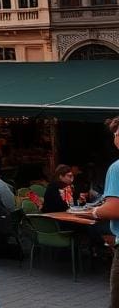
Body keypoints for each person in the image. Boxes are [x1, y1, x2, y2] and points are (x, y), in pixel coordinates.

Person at [78, 115, 119, 306]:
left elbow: (114, 209)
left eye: (117, 134)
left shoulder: (117, 168)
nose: (115, 138)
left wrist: (92, 213)